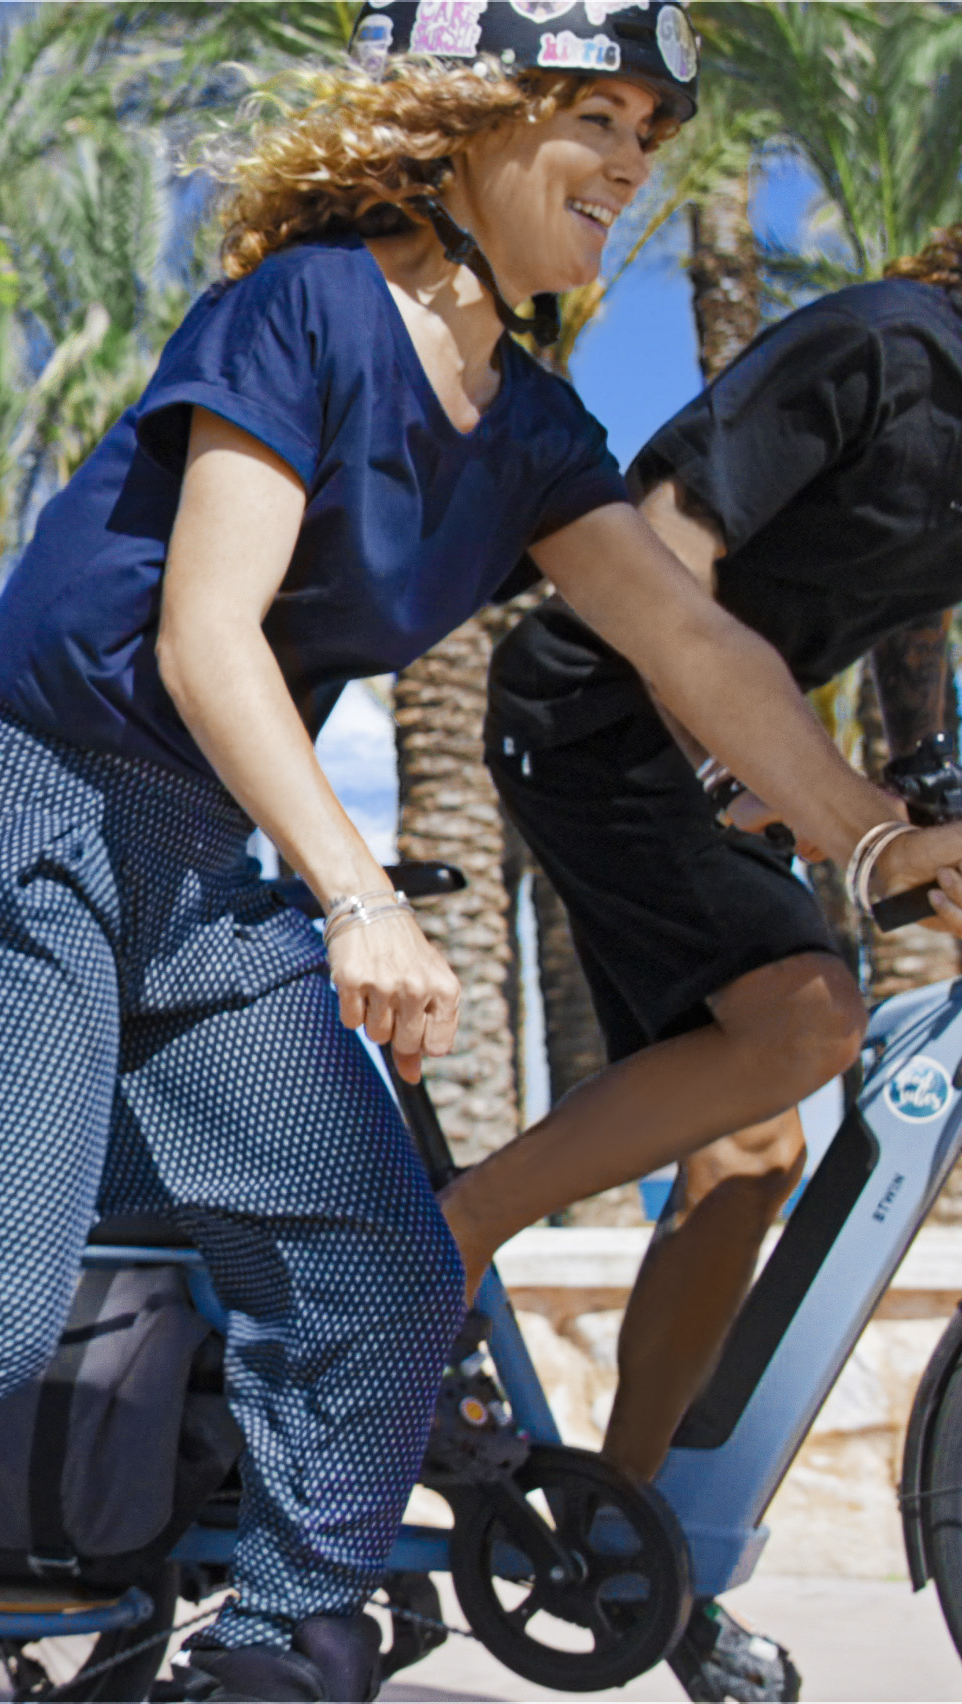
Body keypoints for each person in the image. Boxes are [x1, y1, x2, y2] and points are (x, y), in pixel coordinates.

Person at [0, 9, 962, 1703]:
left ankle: (276, 1659)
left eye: (649, 136)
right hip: (35, 807)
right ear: (464, 124)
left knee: (379, 1278)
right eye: (590, 115)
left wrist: (875, 835)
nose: (627, 165)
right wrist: (358, 893)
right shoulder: (301, 309)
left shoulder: (529, 427)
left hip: (204, 862)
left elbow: (695, 646)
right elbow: (204, 639)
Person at [447, 223, 962, 1701]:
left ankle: (627, 1556)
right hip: (600, 714)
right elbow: (662, 554)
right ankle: (443, 1238)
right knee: (805, 1016)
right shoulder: (878, 345)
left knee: (746, 1152)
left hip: (732, 758)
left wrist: (917, 802)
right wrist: (802, 803)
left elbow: (903, 617)